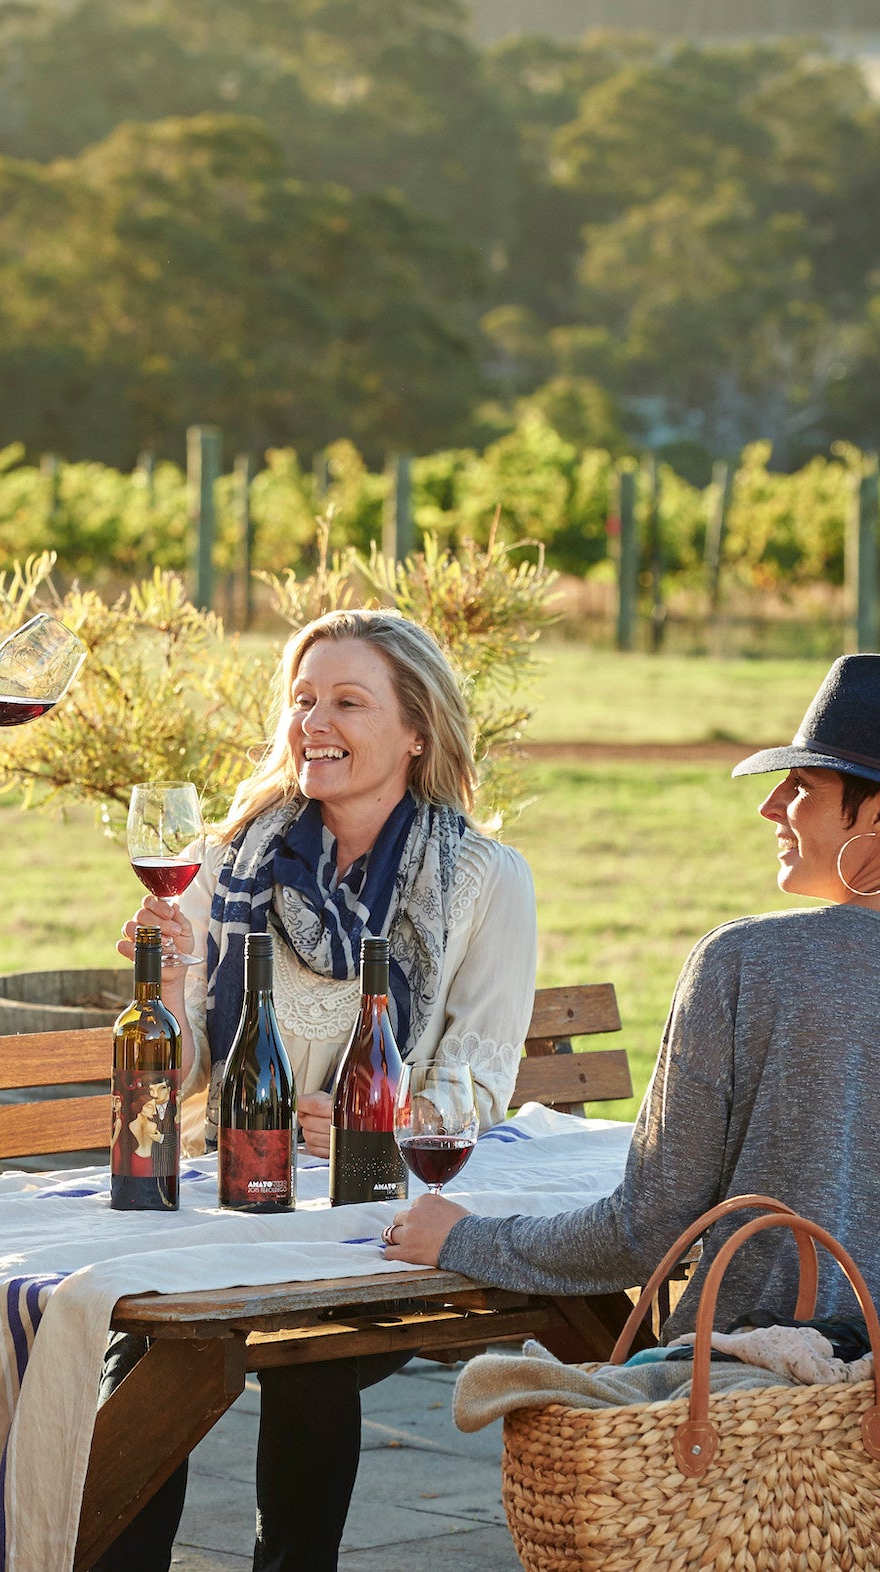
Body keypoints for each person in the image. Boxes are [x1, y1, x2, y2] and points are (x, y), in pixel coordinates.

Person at [386, 653, 880, 1351]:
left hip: (752, 1424)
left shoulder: (746, 963)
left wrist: (464, 1236)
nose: (770, 806)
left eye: (801, 786)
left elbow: (645, 1233)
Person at [99, 609, 539, 1572]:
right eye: (302, 700)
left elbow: (481, 1081)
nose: (314, 722)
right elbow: (176, 1088)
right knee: (143, 1345)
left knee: (308, 1354)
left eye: (347, 701)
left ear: (416, 730)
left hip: (371, 1215)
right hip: (236, 1201)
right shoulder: (230, 862)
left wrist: (374, 1127)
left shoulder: (483, 880)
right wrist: (166, 987)